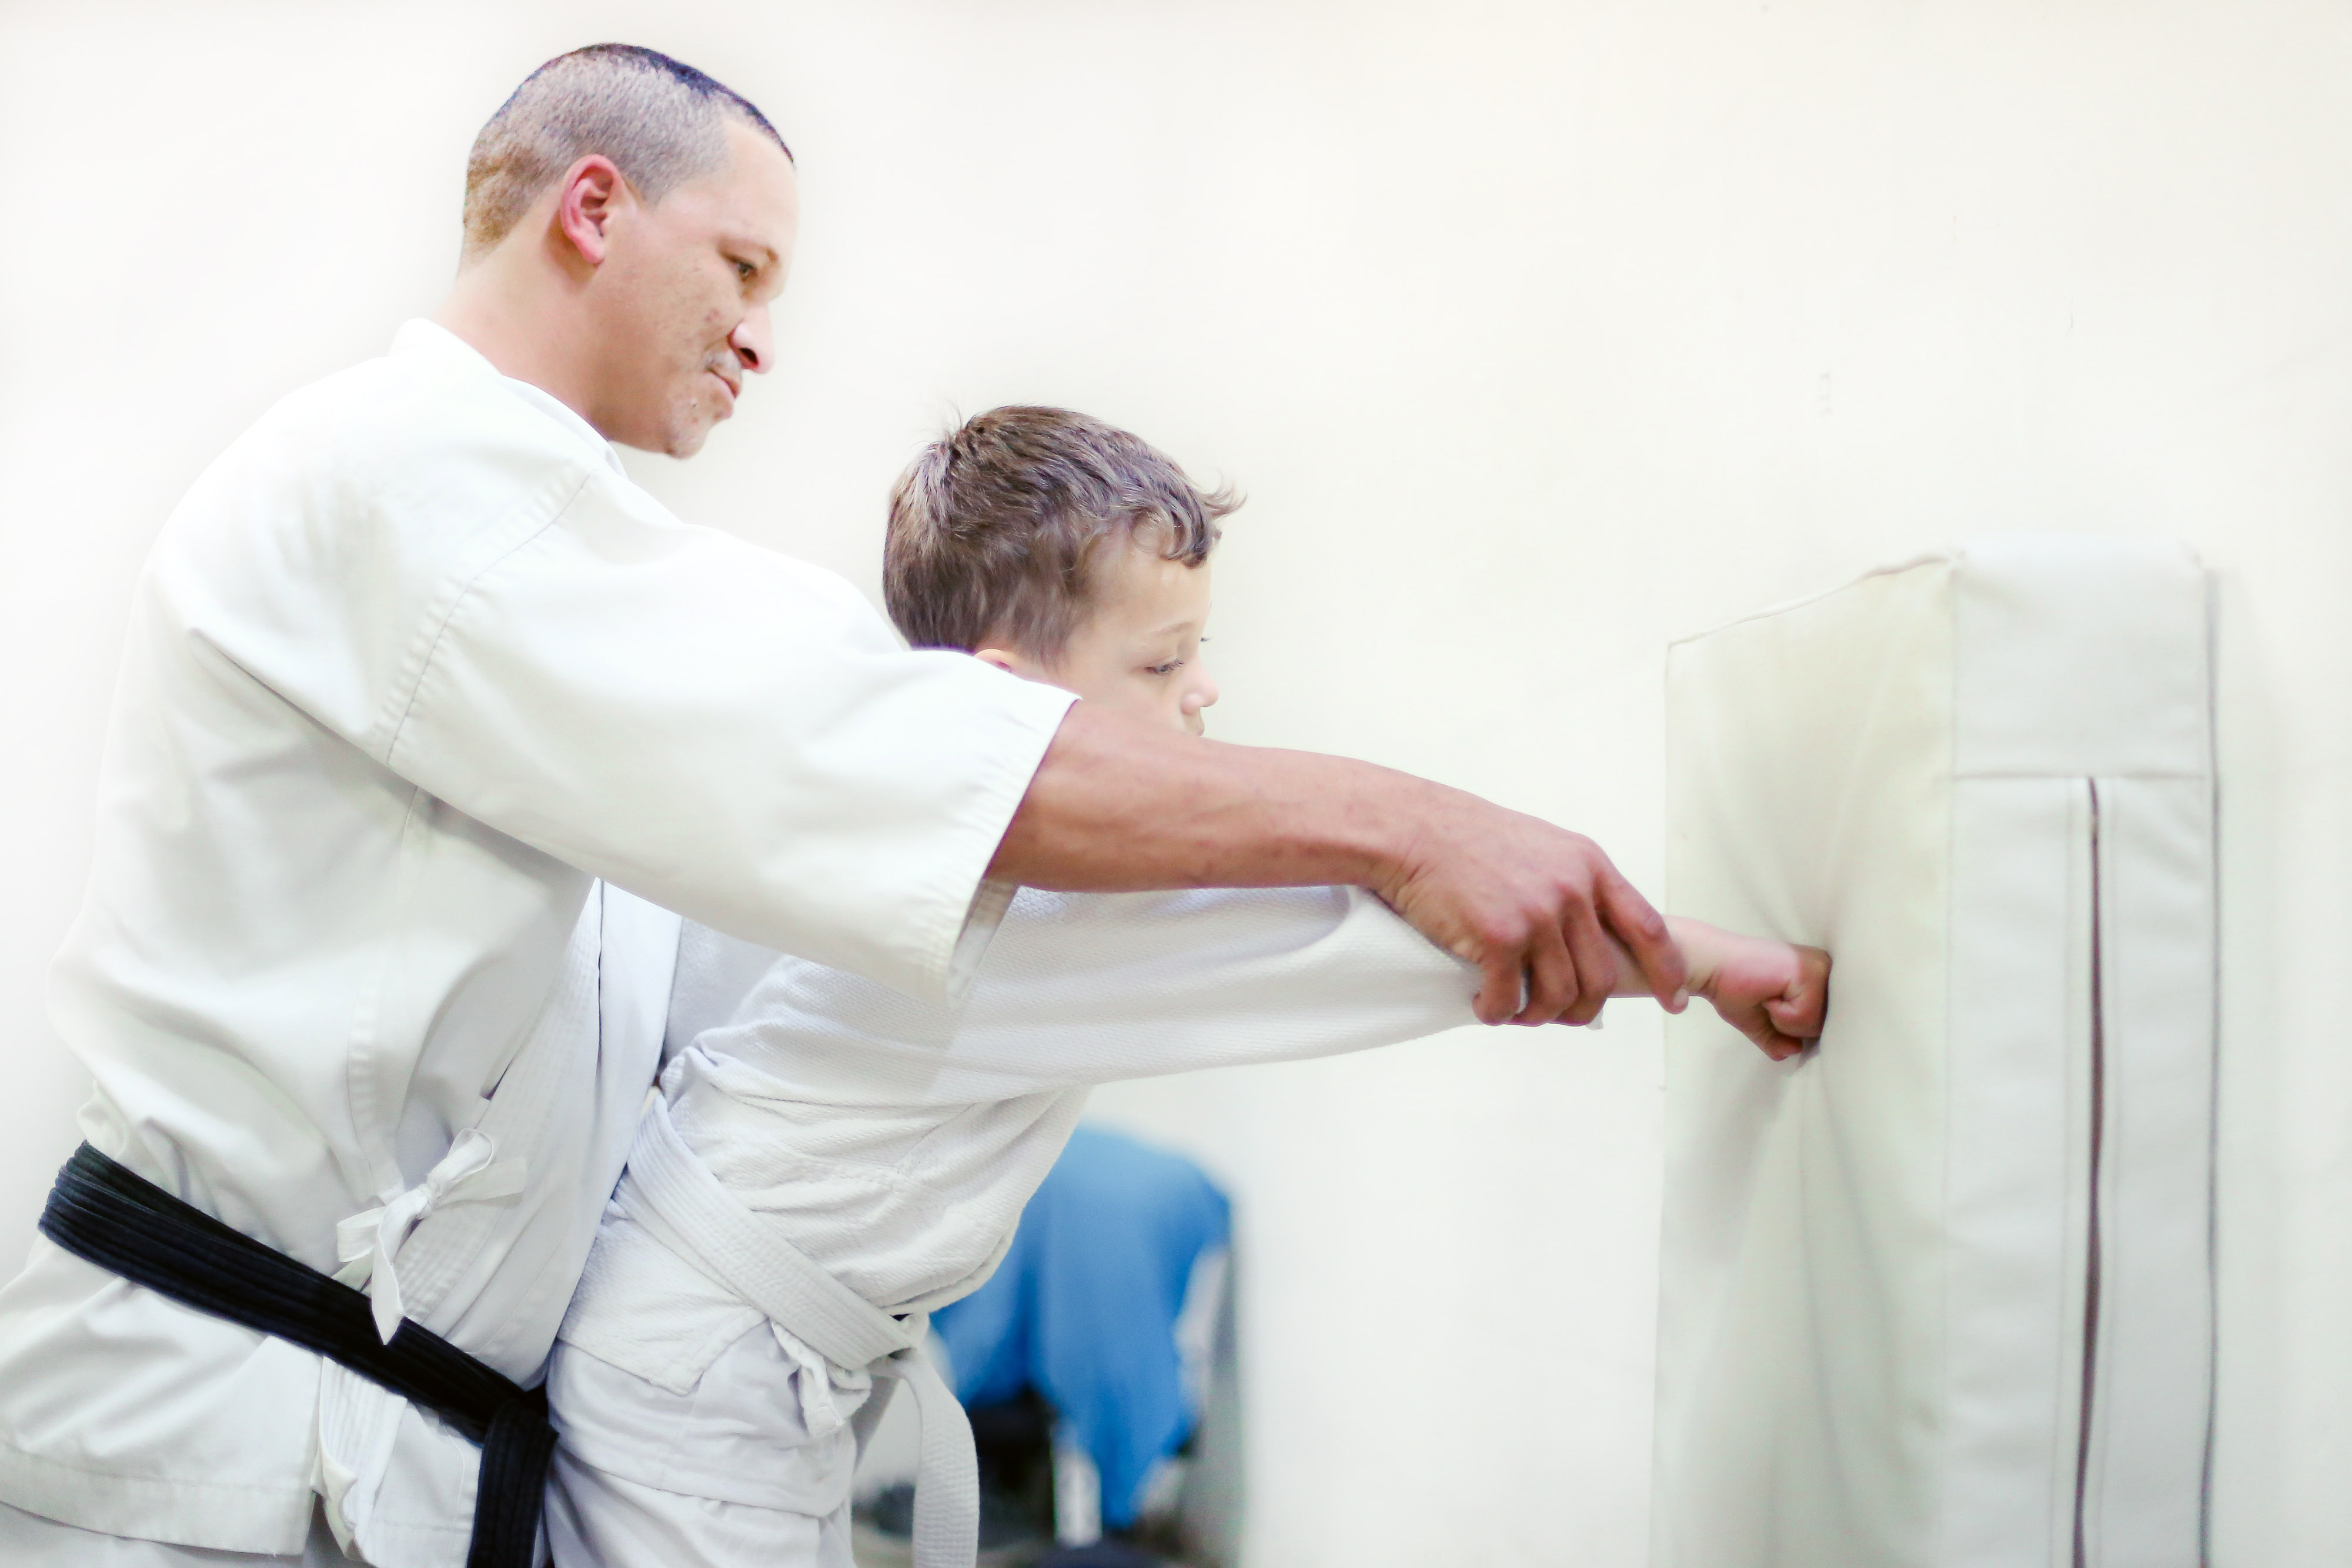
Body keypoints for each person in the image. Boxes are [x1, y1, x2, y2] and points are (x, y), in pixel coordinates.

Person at [0, 44, 1696, 1568]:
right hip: (212, 1438)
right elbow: (909, 751)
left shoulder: (542, 576)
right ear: (591, 210)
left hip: (383, 1431)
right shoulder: (411, 483)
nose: (762, 333)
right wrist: (1416, 830)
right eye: (742, 266)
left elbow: (814, 894)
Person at [539, 407, 1832, 1568]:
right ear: (1001, 705)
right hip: (694, 1373)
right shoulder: (1021, 901)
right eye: (1161, 666)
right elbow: (1366, 941)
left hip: (726, 1349)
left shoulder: (919, 846)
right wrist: (1708, 961)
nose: (1203, 690)